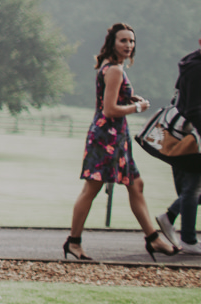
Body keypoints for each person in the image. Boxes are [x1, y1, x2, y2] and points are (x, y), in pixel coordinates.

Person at [64, 22, 176, 261]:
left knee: (136, 185)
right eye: (123, 40)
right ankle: (73, 242)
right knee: (91, 189)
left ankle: (153, 238)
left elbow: (112, 98)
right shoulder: (114, 69)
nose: (129, 45)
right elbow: (109, 110)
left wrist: (128, 97)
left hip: (117, 138)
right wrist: (137, 107)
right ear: (113, 43)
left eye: (132, 41)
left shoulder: (110, 68)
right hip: (107, 138)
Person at [155, 37, 201, 255]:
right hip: (192, 136)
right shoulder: (194, 69)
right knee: (192, 188)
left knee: (192, 188)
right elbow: (193, 109)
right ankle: (189, 240)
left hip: (194, 134)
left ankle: (171, 215)